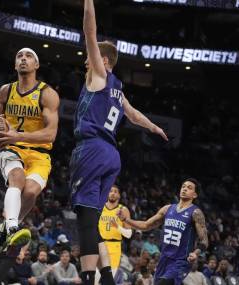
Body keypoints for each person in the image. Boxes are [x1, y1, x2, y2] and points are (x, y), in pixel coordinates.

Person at [69, 1, 168, 284]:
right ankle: (107, 280)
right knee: (95, 221)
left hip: (92, 148)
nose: (86, 59)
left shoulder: (100, 75)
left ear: (105, 61)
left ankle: (89, 279)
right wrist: (154, 127)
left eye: (92, 55)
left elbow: (89, 31)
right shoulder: (118, 89)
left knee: (85, 219)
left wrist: (88, 2)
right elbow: (134, 115)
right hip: (112, 154)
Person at [0, 47, 60, 283]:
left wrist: (16, 135)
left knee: (30, 191)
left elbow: (50, 134)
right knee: (17, 180)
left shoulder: (47, 94)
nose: (23, 59)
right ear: (15, 64)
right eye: (19, 56)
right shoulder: (6, 91)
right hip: (12, 149)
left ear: (36, 65)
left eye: (28, 56)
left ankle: (4, 229)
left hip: (39, 154)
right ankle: (10, 228)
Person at [117, 178, 209, 285]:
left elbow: (204, 241)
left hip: (180, 261)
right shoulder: (167, 209)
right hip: (163, 259)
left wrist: (196, 253)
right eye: (183, 186)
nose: (184, 189)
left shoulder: (195, 213)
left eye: (189, 188)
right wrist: (126, 220)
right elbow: (146, 225)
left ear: (194, 195)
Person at [97, 185, 132, 280]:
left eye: (115, 191)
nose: (112, 193)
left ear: (119, 195)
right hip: (100, 245)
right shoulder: (99, 208)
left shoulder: (123, 210)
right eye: (110, 191)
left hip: (115, 247)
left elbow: (129, 234)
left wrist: (118, 227)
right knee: (94, 280)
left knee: (109, 280)